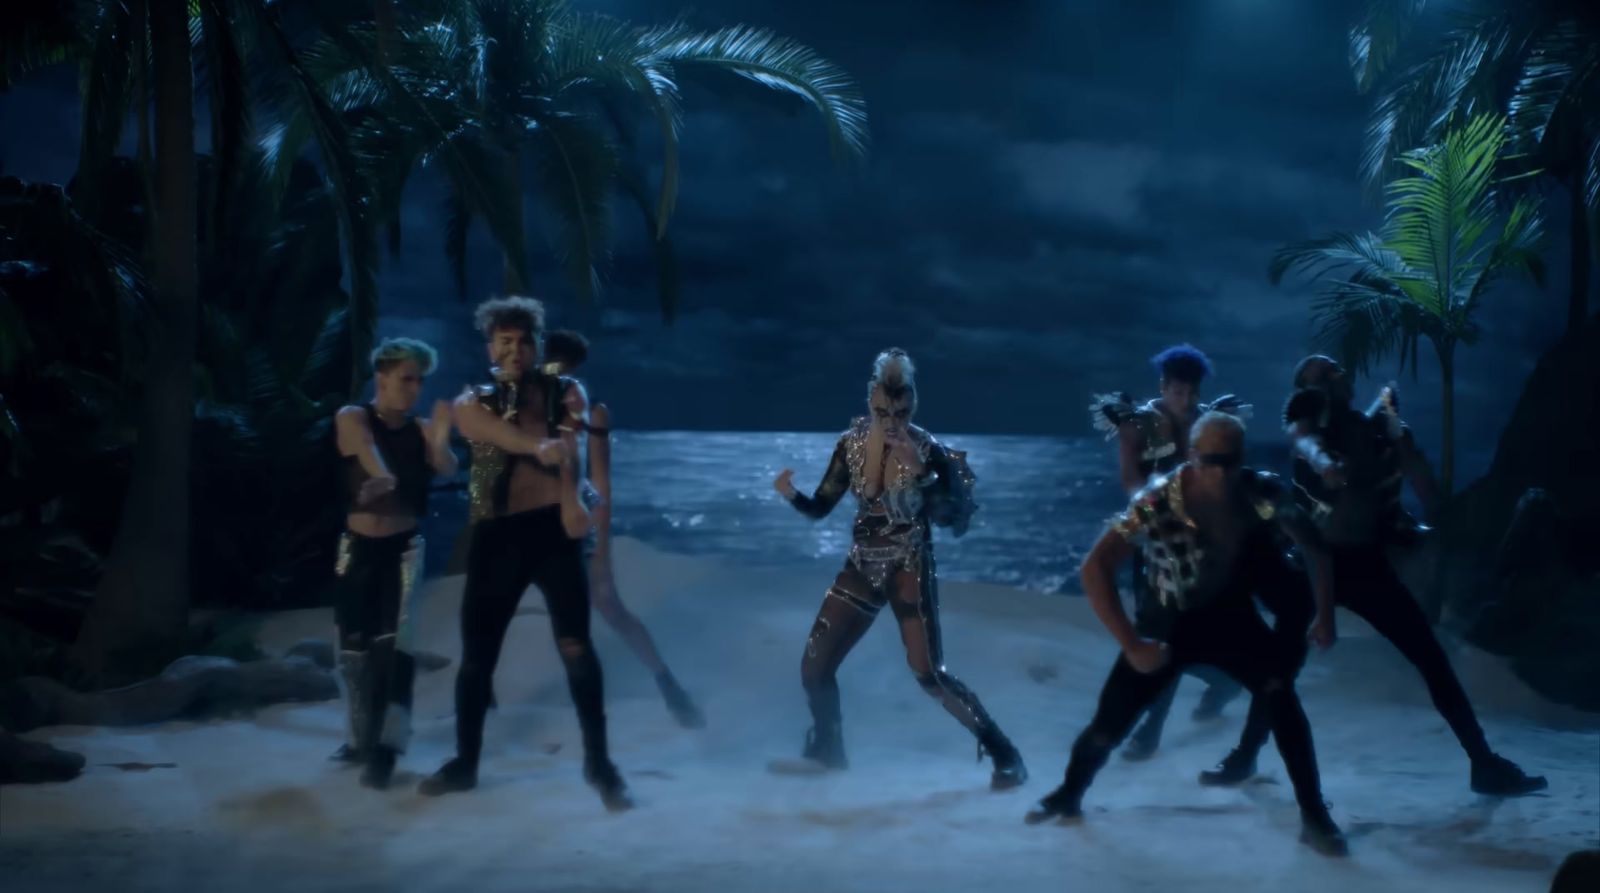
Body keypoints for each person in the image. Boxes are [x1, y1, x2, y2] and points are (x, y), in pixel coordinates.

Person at [1195, 355, 1546, 796]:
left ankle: (1484, 763)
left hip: (1367, 565)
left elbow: (1419, 478)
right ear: (1307, 389)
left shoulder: (1378, 428)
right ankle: (1244, 756)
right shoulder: (1307, 418)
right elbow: (1305, 442)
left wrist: (1403, 445)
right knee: (1279, 668)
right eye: (1318, 376)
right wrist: (1325, 463)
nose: (1331, 378)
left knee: (1431, 659)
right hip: (1313, 563)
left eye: (1333, 371)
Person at [1026, 412, 1348, 857]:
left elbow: (1316, 547)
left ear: (1241, 458)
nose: (1220, 472)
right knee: (1108, 725)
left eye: (1230, 461)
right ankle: (1068, 793)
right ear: (1194, 456)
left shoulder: (1261, 492)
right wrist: (1132, 644)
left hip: (1232, 618)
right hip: (1167, 624)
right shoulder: (1158, 500)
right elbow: (1095, 567)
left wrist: (1325, 615)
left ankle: (1314, 814)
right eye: (1211, 460)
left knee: (1282, 701)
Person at [772, 349, 1027, 789]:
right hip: (861, 564)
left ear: (913, 406)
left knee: (929, 675)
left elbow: (954, 520)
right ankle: (828, 749)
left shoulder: (931, 451)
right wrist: (791, 495)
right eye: (882, 411)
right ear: (871, 403)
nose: (891, 421)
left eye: (901, 412)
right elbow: (821, 506)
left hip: (909, 563)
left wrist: (923, 474)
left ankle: (1005, 754)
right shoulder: (851, 445)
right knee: (813, 669)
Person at [418, 296, 630, 812]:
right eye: (504, 341)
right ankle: (465, 763)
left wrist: (573, 501)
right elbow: (486, 432)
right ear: (491, 346)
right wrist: (534, 448)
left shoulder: (566, 392)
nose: (514, 350)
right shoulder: (476, 400)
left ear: (536, 345)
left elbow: (571, 453)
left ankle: (599, 763)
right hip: (495, 536)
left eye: (523, 341)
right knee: (477, 660)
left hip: (554, 536)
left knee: (577, 648)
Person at [1087, 344, 1246, 760]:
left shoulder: (1208, 422)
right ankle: (1222, 685)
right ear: (1164, 387)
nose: (1187, 401)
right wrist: (1161, 513)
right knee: (1161, 633)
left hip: (1206, 542)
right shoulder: (1138, 426)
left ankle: (1151, 732)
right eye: (1179, 392)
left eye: (1193, 393)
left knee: (1181, 632)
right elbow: (1130, 481)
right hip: (1158, 539)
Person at [541, 329, 706, 729]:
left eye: (564, 363)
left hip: (580, 515)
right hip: (536, 515)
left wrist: (599, 541)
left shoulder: (592, 410)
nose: (556, 370)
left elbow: (601, 479)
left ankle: (667, 683)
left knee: (608, 604)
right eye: (551, 362)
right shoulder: (527, 408)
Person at [328, 337, 456, 789]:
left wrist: (439, 435)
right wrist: (380, 475)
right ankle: (360, 739)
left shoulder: (420, 429)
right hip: (355, 547)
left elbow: (446, 468)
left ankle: (387, 748)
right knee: (353, 651)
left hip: (402, 550)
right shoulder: (352, 416)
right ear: (381, 377)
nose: (414, 387)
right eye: (406, 378)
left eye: (419, 380)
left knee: (395, 648)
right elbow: (364, 448)